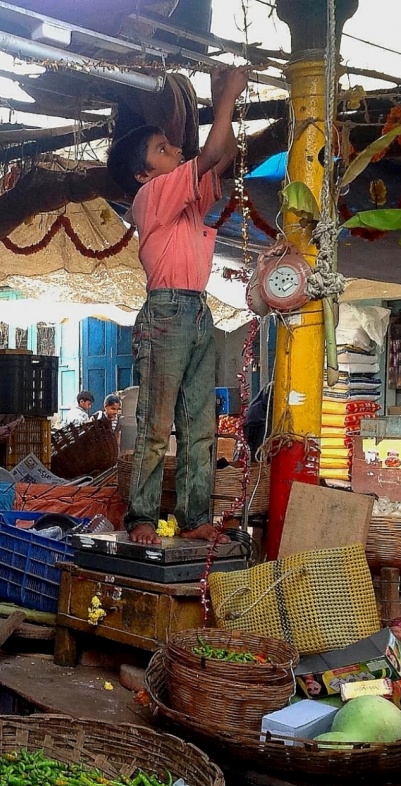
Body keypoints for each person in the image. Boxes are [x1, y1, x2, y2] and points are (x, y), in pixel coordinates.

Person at [107, 65, 249, 545]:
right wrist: (224, 97)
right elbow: (211, 152)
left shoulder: (186, 199)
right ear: (143, 173)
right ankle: (141, 516)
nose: (175, 152)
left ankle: (194, 519)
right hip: (166, 313)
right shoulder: (152, 195)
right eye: (162, 151)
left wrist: (220, 104)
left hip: (195, 310)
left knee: (199, 426)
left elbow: (222, 155)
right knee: (155, 425)